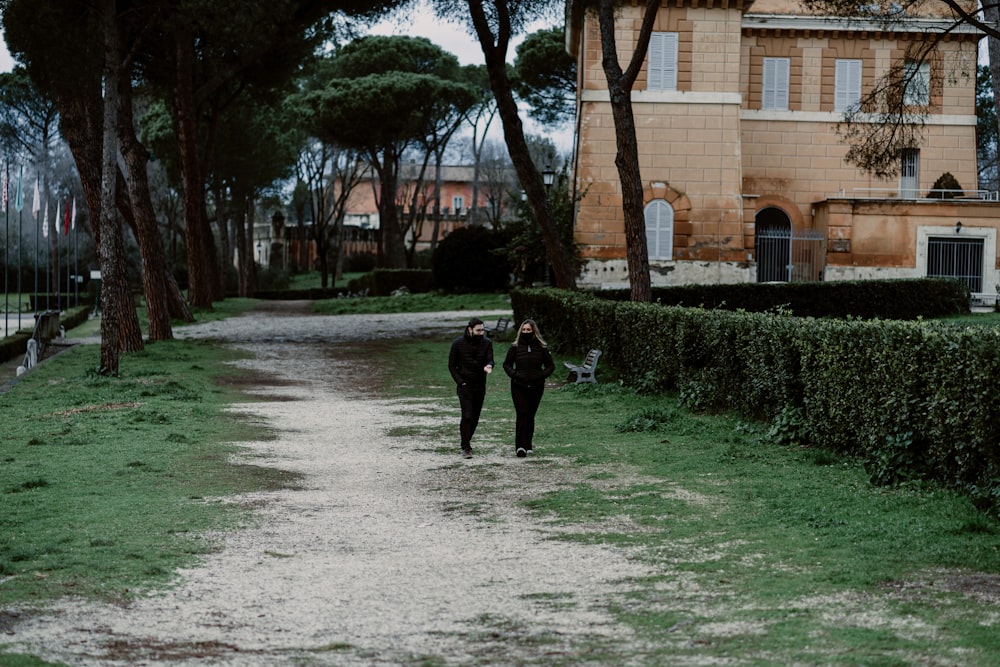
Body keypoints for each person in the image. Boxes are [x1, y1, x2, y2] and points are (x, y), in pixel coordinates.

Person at [502, 319, 555, 457]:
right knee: (522, 413)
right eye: (523, 330)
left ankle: (528, 444)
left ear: (533, 331)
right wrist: (514, 375)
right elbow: (506, 364)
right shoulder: (515, 347)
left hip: (537, 385)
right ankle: (520, 446)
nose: (526, 332)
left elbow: (550, 366)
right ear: (521, 331)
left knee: (530, 415)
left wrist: (541, 375)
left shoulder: (542, 348)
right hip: (518, 385)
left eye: (528, 330)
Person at [448, 317, 495, 458]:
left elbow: (490, 359)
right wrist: (460, 382)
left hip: (480, 384)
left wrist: (489, 365)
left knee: (475, 416)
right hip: (465, 385)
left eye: (483, 330)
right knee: (467, 415)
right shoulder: (458, 343)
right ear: (470, 329)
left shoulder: (487, 343)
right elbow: (451, 365)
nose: (481, 332)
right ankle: (466, 447)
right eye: (478, 330)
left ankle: (467, 441)